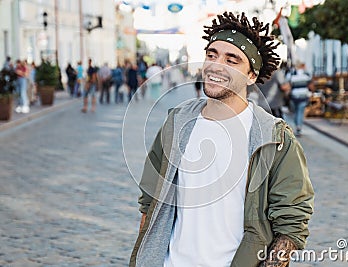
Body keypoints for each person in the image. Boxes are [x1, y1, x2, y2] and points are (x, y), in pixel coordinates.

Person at [130, 11, 314, 267]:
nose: (217, 65)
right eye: (212, 55)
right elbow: (149, 203)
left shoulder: (275, 137)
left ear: (251, 76)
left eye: (232, 59)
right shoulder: (177, 123)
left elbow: (292, 223)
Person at [289, 62, 312, 136]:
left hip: (294, 96)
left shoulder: (292, 74)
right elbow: (310, 84)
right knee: (300, 112)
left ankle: (297, 124)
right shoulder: (306, 74)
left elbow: (289, 84)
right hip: (303, 95)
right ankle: (299, 126)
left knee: (296, 111)